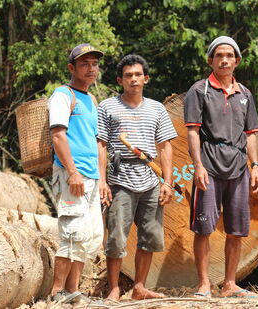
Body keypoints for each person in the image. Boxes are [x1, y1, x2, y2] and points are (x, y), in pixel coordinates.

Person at [184, 36, 258, 298]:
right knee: (204, 227)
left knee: (236, 228)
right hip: (209, 164)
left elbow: (251, 134)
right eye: (219, 55)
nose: (225, 60)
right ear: (211, 60)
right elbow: (193, 132)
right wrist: (198, 166)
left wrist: (255, 166)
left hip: (238, 166)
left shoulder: (245, 94)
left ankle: (230, 283)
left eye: (229, 55)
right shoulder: (199, 90)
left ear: (237, 61)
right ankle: (204, 284)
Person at [97, 54, 177, 301]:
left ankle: (139, 287)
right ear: (120, 80)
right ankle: (113, 289)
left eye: (138, 75)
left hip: (151, 179)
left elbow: (165, 146)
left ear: (146, 78)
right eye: (128, 75)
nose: (134, 79)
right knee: (117, 235)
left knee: (150, 235)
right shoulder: (108, 107)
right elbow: (100, 145)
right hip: (120, 178)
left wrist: (168, 182)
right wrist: (102, 181)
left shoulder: (157, 108)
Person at [48, 43, 105, 304]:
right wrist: (73, 172)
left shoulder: (91, 100)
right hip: (72, 175)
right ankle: (56, 293)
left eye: (94, 64)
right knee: (71, 232)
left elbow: (95, 141)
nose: (91, 68)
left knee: (90, 236)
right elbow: (58, 136)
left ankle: (72, 291)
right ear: (72, 68)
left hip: (91, 177)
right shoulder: (63, 95)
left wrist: (101, 179)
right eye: (85, 64)